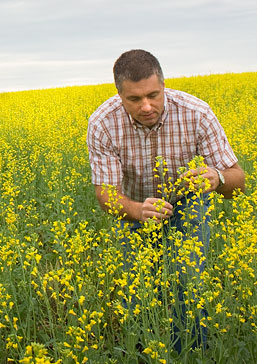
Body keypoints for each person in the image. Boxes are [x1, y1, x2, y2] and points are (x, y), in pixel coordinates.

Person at [86, 49, 246, 352]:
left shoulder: (196, 113)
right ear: (119, 94)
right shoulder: (103, 123)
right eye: (134, 99)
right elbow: (105, 193)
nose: (146, 106)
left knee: (188, 280)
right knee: (140, 286)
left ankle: (191, 352)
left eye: (153, 95)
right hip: (134, 204)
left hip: (187, 203)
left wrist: (216, 177)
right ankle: (144, 351)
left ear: (163, 85)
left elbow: (237, 180)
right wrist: (135, 210)